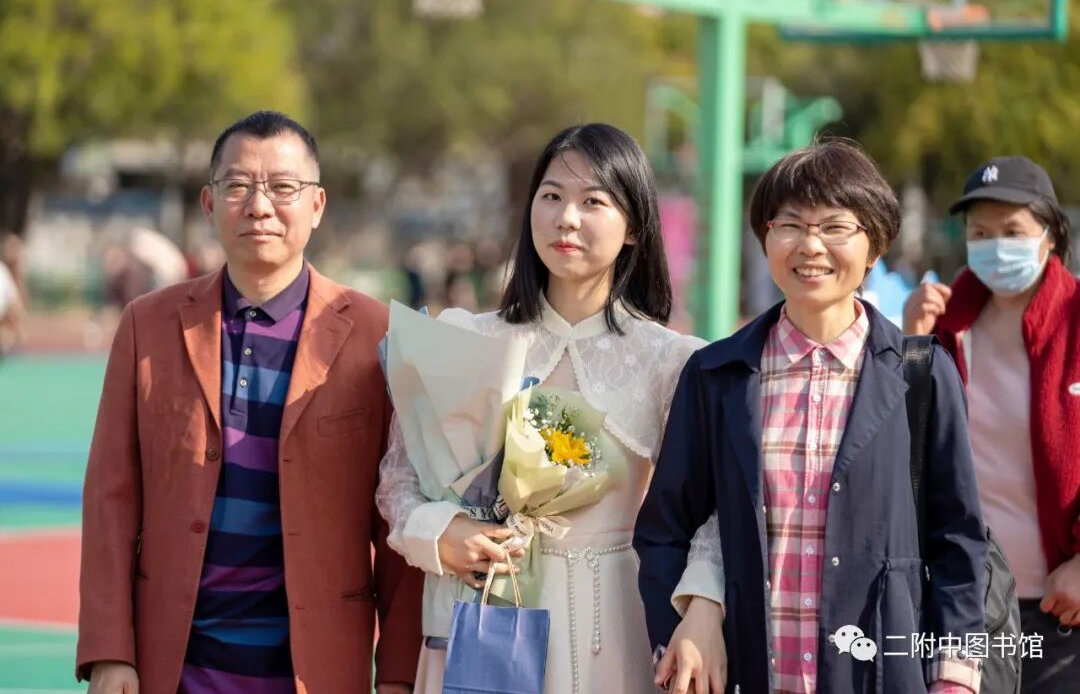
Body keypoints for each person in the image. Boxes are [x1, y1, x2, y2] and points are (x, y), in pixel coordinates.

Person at [77, 111, 424, 694]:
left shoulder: (378, 335)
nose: (259, 206)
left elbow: (399, 520)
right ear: (209, 204)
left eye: (283, 187)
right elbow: (110, 498)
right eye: (237, 185)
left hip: (315, 672)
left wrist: (398, 675)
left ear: (317, 205)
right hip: (176, 668)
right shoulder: (147, 326)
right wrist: (111, 650)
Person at [375, 123, 725, 694]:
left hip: (614, 625)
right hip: (487, 618)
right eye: (552, 196)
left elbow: (716, 507)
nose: (566, 218)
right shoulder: (466, 338)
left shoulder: (674, 360)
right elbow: (399, 481)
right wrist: (444, 532)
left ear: (635, 226)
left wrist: (704, 606)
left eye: (593, 202)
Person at [637, 139, 987, 694]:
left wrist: (954, 678)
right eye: (790, 225)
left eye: (835, 226)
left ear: (875, 244)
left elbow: (958, 541)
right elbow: (665, 530)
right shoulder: (716, 375)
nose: (811, 245)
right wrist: (679, 635)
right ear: (766, 238)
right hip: (747, 674)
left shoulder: (921, 374)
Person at [903, 155, 1080, 692]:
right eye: (981, 232)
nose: (996, 245)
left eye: (1013, 231)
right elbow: (904, 448)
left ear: (1050, 236)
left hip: (1063, 604)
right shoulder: (944, 323)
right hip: (966, 602)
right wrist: (912, 343)